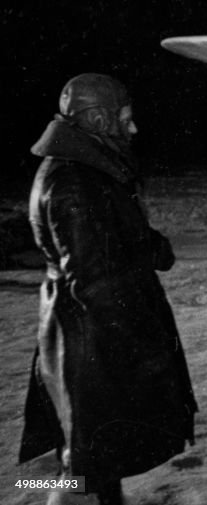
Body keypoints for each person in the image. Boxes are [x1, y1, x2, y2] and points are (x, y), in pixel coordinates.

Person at [19, 74, 197, 505]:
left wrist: (150, 245)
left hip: (88, 333)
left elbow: (107, 236)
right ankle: (46, 497)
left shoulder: (87, 171)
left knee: (99, 451)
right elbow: (94, 279)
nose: (133, 129)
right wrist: (140, 345)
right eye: (125, 119)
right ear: (99, 120)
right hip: (91, 338)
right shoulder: (73, 182)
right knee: (84, 460)